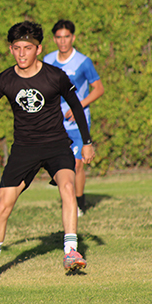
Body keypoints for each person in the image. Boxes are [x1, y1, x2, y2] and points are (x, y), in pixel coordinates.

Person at [0, 21, 95, 282]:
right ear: (11, 49)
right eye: (16, 48)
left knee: (68, 188)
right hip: (24, 149)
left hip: (57, 145)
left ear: (39, 48)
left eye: (27, 48)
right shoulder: (4, 80)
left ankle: (71, 251)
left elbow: (77, 107)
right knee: (3, 205)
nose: (22, 53)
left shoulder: (55, 76)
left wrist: (87, 141)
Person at [44, 20, 104, 216]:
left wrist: (79, 106)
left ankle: (78, 205)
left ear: (73, 37)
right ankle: (69, 201)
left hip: (78, 120)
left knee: (77, 164)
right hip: (55, 122)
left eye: (67, 37)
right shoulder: (48, 60)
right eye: (59, 38)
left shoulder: (83, 62)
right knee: (60, 164)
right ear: (54, 39)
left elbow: (99, 89)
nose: (63, 41)